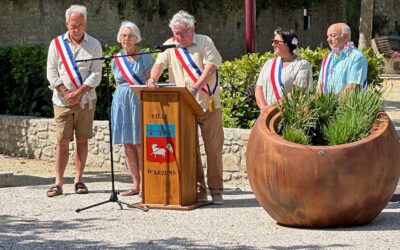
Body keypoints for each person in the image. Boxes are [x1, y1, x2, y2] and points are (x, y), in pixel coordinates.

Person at [148, 10, 224, 205]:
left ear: (192, 29)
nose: (178, 37)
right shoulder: (170, 45)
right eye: (175, 33)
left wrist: (196, 86)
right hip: (184, 106)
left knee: (213, 148)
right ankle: (199, 188)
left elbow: (211, 67)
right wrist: (152, 79)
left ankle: (216, 189)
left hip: (208, 103)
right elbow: (159, 64)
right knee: (190, 149)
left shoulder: (204, 41)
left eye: (181, 33)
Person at [46, 4, 102, 197]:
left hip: (86, 100)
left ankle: (78, 180)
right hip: (62, 102)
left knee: (83, 141)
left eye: (79, 25)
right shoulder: (56, 44)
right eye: (72, 25)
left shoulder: (94, 44)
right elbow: (51, 71)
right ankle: (58, 183)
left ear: (85, 23)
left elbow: (96, 73)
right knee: (62, 141)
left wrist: (79, 92)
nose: (75, 28)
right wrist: (64, 91)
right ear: (66, 24)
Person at [111, 21, 154, 196]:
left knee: (139, 144)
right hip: (121, 104)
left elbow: (151, 81)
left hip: (139, 102)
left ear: (137, 38)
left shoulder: (145, 57)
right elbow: (117, 82)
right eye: (123, 35)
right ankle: (135, 185)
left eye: (130, 35)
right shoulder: (116, 58)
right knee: (128, 144)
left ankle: (146, 185)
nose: (126, 38)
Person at [255, 28, 313, 110]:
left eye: (276, 42)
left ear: (287, 44)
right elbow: (259, 88)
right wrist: (264, 108)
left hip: (286, 115)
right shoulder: (269, 63)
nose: (272, 44)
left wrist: (272, 109)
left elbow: (297, 92)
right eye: (272, 41)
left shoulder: (302, 65)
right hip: (266, 116)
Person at [317, 23, 368, 94]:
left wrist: (331, 102)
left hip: (347, 105)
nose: (328, 39)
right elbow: (320, 85)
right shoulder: (327, 58)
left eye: (333, 36)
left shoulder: (357, 57)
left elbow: (353, 88)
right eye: (328, 36)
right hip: (326, 104)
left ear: (345, 37)